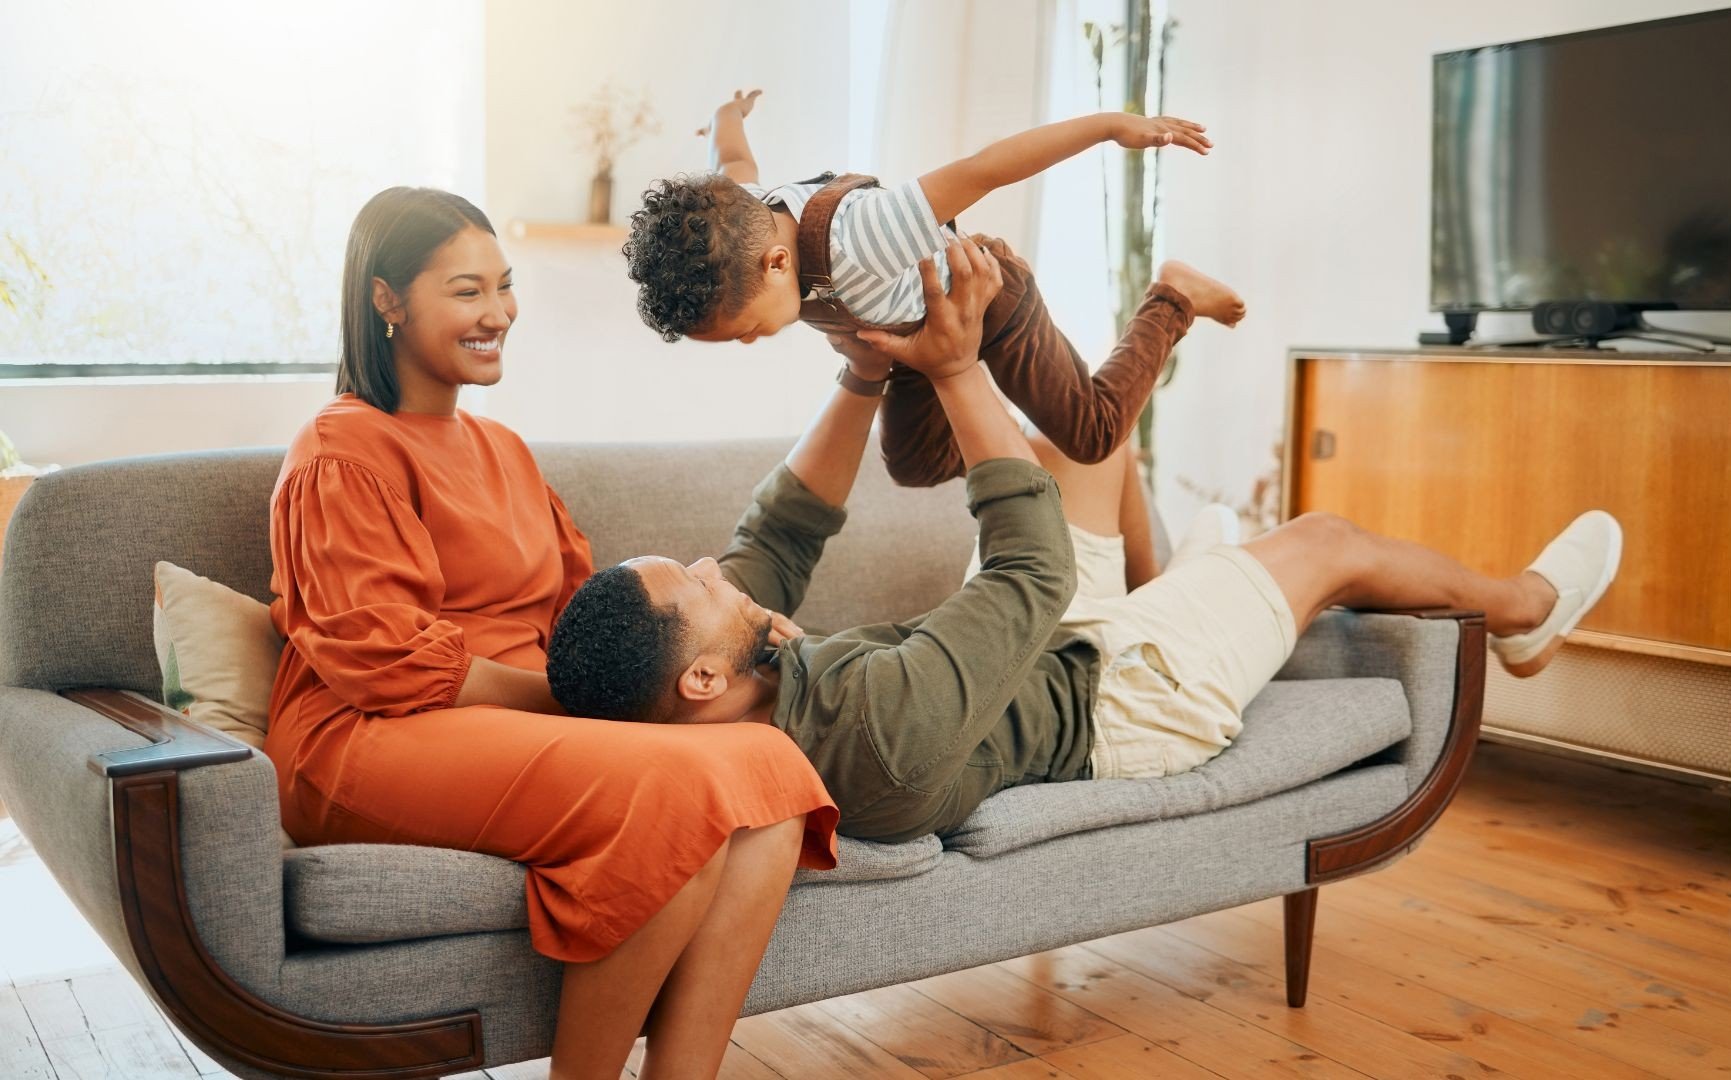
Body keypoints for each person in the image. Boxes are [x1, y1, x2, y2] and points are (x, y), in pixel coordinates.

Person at [547, 237, 1623, 843]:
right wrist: (959, 368)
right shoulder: (871, 731)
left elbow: (778, 531)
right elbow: (1031, 567)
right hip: (1124, 702)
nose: (710, 570)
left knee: (1084, 448)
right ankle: (1526, 611)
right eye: (693, 584)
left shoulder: (738, 675)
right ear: (697, 680)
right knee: (1325, 537)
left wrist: (871, 370)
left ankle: (1202, 583)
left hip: (1036, 651)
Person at [265, 186, 839, 1080]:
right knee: (676, 797)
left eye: (503, 286)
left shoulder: (505, 452)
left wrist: (741, 649)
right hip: (367, 735)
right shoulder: (341, 449)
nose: (499, 313)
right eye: (465, 291)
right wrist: (569, 701)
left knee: (771, 775)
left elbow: (595, 624)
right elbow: (379, 661)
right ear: (386, 300)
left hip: (513, 718)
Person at [621, 88, 1247, 488]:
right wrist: (724, 114)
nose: (753, 343)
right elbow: (731, 160)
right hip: (914, 337)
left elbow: (987, 169)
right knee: (914, 468)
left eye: (747, 330)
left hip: (990, 302)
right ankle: (1009, 418)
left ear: (779, 264)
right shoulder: (741, 213)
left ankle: (1174, 297)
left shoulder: (863, 235)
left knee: (1092, 436)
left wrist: (1113, 125)